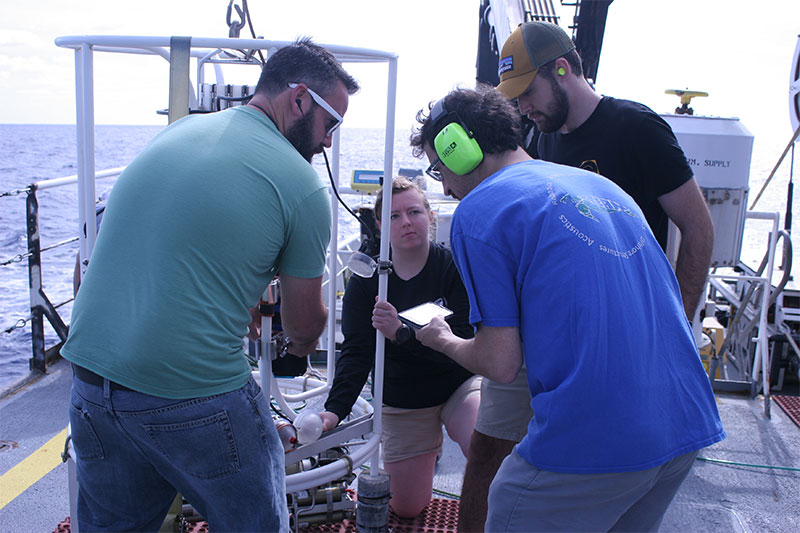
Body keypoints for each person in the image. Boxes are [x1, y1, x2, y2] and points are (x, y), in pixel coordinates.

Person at [61, 38, 359, 532]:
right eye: (333, 123)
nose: (328, 141)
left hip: (91, 381)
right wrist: (301, 338)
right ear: (300, 99)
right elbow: (305, 326)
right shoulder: (302, 185)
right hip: (192, 394)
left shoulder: (177, 134)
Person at [410, 86, 725, 532]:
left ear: (459, 148)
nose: (443, 185)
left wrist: (443, 340)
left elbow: (499, 363)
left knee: (509, 504)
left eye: (440, 167)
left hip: (596, 439)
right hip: (685, 425)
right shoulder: (600, 185)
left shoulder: (481, 209)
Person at [319, 177, 480, 518]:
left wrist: (401, 334)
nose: (406, 222)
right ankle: (425, 452)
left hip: (457, 384)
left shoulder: (453, 267)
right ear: (379, 224)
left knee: (486, 448)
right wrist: (334, 410)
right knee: (407, 508)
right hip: (404, 399)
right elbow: (357, 352)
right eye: (394, 216)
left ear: (430, 216)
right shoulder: (367, 280)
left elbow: (466, 336)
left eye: (414, 212)